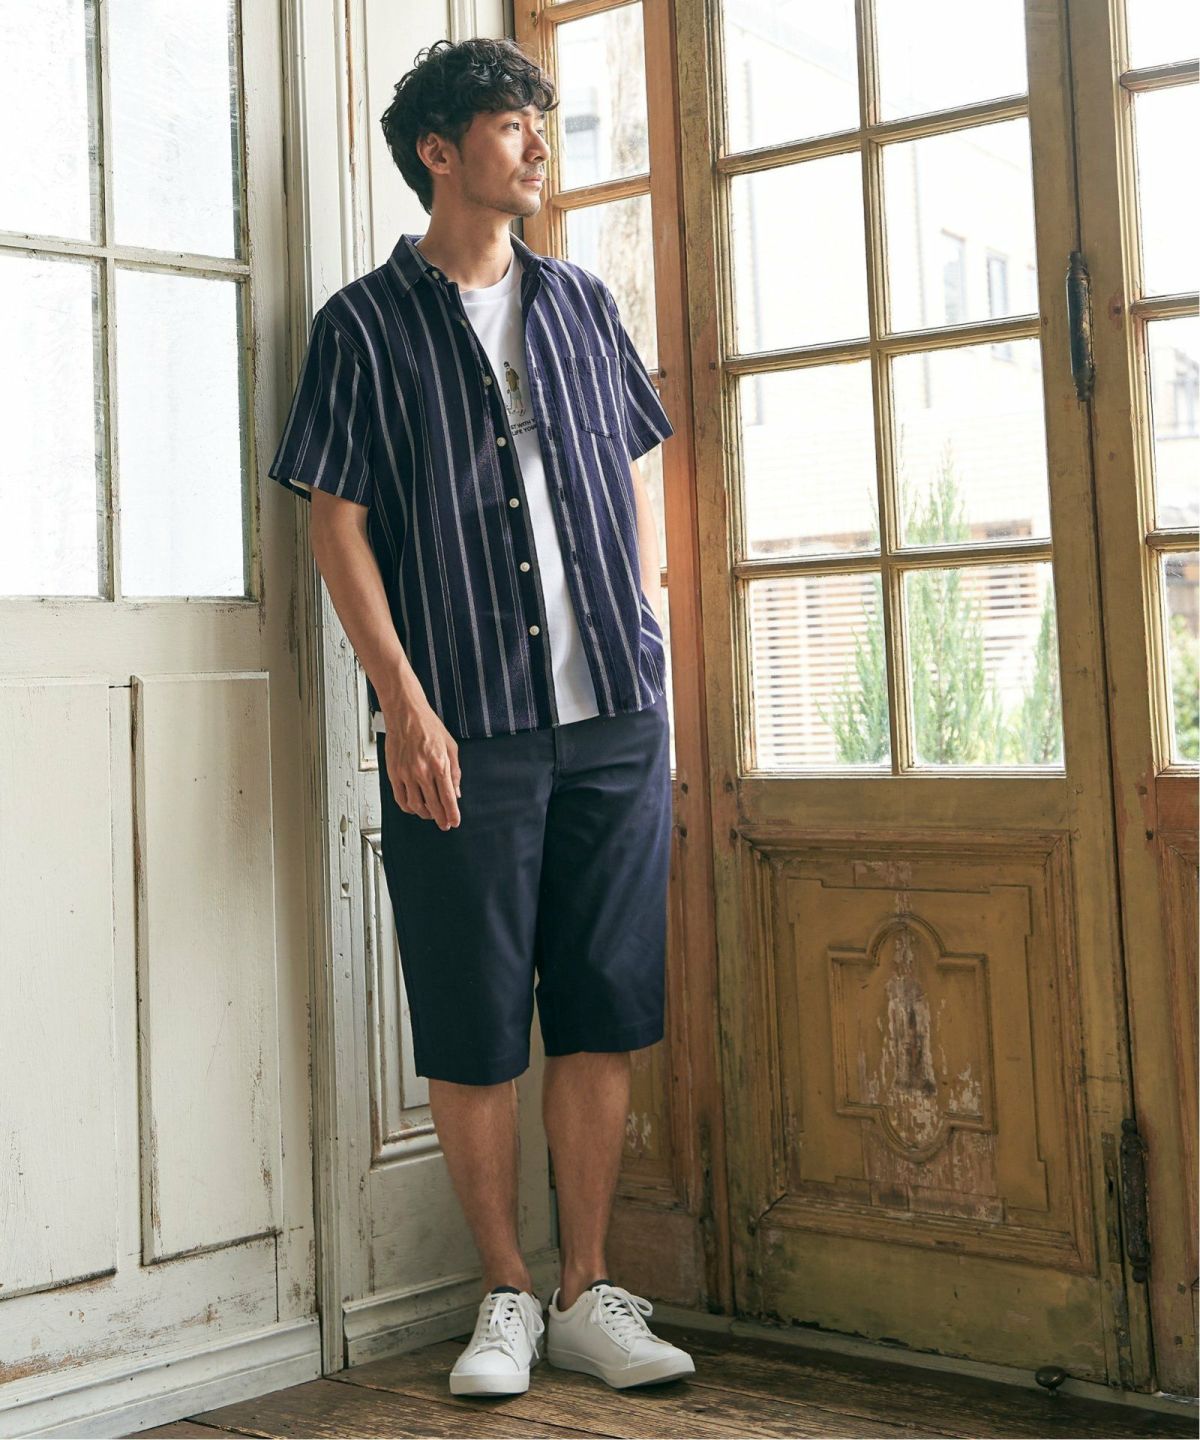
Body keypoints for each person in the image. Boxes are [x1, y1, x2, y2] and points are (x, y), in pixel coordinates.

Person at [266, 36, 694, 1398]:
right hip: (466, 722)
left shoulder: (582, 303)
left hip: (614, 713)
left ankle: (585, 1293)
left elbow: (633, 478)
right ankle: (503, 1290)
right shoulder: (362, 326)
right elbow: (336, 524)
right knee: (472, 1013)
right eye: (513, 123)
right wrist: (405, 705)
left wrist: (647, 634)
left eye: (538, 121)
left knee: (603, 1005)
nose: (538, 143)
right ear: (440, 152)